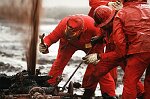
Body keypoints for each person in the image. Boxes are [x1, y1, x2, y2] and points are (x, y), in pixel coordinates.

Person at [39, 14, 117, 99]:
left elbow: (104, 38)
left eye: (72, 34)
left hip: (92, 44)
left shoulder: (94, 27)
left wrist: (97, 54)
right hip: (68, 43)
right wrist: (45, 44)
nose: (69, 34)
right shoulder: (63, 24)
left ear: (82, 30)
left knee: (99, 67)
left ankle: (108, 94)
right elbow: (51, 37)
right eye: (67, 32)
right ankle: (51, 86)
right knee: (59, 63)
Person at [83, 2, 150, 99]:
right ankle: (89, 91)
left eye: (105, 25)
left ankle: (139, 94)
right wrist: (100, 37)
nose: (104, 28)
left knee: (130, 81)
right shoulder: (145, 8)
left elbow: (121, 52)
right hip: (132, 48)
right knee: (147, 81)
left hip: (133, 50)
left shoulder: (120, 16)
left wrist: (99, 56)